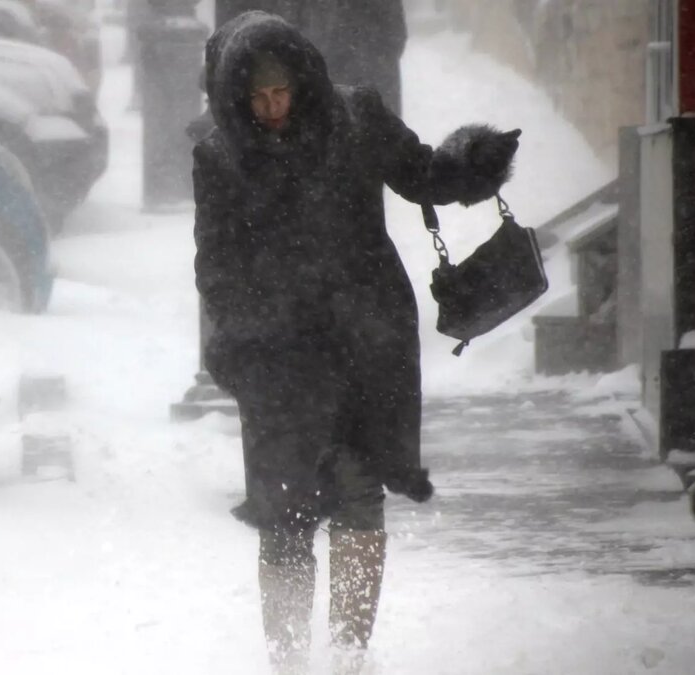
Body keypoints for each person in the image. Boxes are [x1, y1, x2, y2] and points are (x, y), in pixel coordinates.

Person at [190, 11, 520, 675]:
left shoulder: (356, 119)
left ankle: (347, 659)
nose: (271, 107)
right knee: (283, 515)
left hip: (365, 346)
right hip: (277, 360)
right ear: (236, 97)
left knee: (357, 501)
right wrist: (247, 336)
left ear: (304, 81)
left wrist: (473, 166)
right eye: (256, 98)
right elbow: (216, 263)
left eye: (281, 92)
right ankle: (288, 662)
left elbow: (422, 173)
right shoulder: (220, 152)